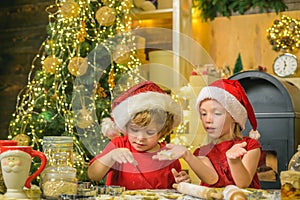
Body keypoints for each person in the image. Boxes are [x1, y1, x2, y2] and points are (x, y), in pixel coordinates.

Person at [153, 79, 262, 189]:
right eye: (203, 114)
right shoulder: (202, 152)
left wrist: (234, 161)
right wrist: (187, 155)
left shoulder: (249, 146)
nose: (208, 120)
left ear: (234, 117)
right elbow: (212, 179)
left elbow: (243, 183)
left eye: (217, 113)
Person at [88, 81, 190, 190]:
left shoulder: (169, 156)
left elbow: (177, 187)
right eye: (134, 130)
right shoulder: (119, 145)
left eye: (150, 132)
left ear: (162, 132)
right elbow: (93, 175)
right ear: (126, 126)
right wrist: (111, 156)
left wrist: (182, 182)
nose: (141, 138)